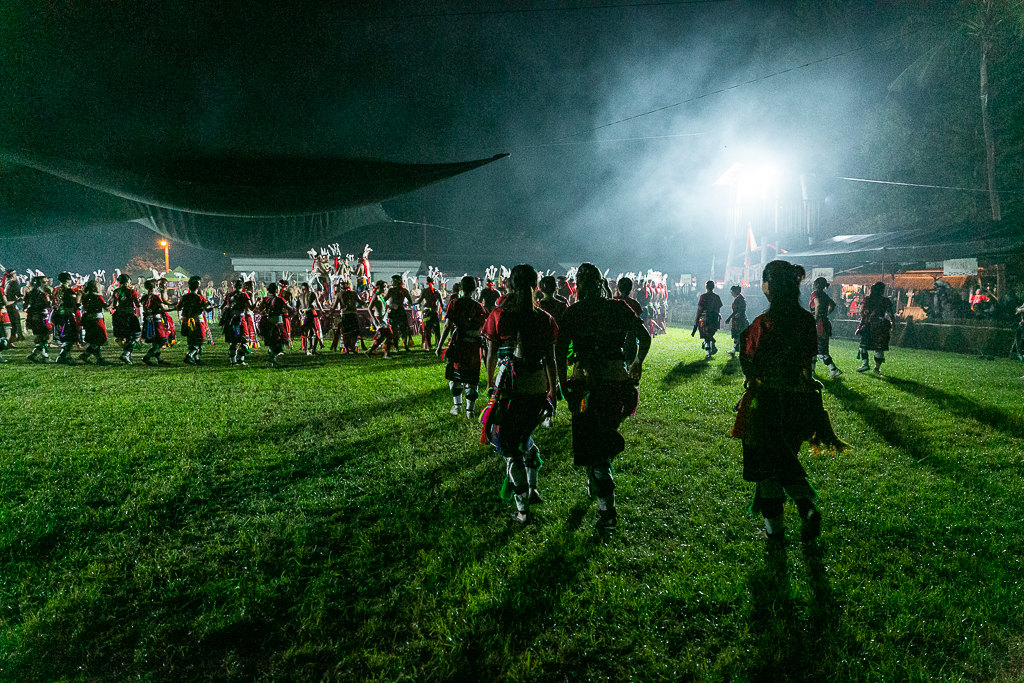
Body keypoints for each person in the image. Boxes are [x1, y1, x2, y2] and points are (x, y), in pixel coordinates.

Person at [731, 260, 847, 544]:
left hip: (768, 403)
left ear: (769, 287)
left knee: (768, 470)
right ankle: (803, 510)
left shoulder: (762, 324)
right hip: (799, 404)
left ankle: (787, 524)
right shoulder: (806, 321)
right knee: (783, 459)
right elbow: (806, 365)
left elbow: (748, 362)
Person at [556, 263, 650, 532]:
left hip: (587, 389)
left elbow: (560, 354)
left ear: (578, 285)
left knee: (598, 451)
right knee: (599, 441)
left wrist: (564, 387)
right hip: (618, 387)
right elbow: (644, 338)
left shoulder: (574, 313)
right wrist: (636, 363)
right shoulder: (618, 308)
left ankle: (607, 514)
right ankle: (595, 484)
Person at [481, 264, 558, 525]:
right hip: (538, 389)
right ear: (535, 286)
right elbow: (551, 360)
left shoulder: (500, 315)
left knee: (509, 445)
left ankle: (523, 510)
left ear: (509, 285)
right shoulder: (545, 318)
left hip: (511, 389)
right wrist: (552, 393)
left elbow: (491, 354)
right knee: (525, 434)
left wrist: (491, 384)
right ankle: (534, 489)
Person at [436, 275, 488, 417]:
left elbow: (447, 326)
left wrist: (439, 346)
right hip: (473, 346)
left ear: (461, 287)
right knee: (472, 377)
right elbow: (483, 328)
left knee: (456, 376)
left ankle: (457, 407)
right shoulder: (479, 307)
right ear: (475, 289)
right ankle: (469, 411)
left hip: (458, 344)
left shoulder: (454, 304)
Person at [856, 281, 895, 374]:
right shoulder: (885, 301)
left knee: (863, 345)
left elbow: (861, 310)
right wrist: (893, 324)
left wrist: (864, 315)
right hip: (881, 325)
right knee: (879, 347)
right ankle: (876, 369)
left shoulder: (867, 299)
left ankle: (865, 364)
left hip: (869, 325)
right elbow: (891, 314)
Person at [809, 277, 842, 378]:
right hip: (824, 322)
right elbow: (832, 305)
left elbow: (817, 305)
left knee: (819, 349)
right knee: (814, 348)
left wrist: (816, 318)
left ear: (817, 284)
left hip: (819, 324)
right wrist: (826, 314)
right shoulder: (825, 295)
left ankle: (833, 369)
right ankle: (812, 372)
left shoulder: (815, 294)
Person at [176, 276, 214, 365]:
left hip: (186, 321)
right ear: (198, 287)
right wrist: (211, 307)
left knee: (191, 340)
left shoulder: (184, 297)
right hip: (197, 321)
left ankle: (196, 359)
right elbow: (206, 309)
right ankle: (189, 356)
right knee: (199, 340)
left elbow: (178, 307)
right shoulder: (199, 298)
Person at [257, 282, 293, 368]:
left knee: (272, 342)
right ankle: (274, 358)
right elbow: (290, 308)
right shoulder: (280, 299)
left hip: (269, 322)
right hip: (278, 322)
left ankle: (273, 360)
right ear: (276, 290)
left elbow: (260, 309)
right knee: (281, 342)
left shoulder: (265, 299)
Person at [110, 273, 142, 364]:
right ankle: (126, 354)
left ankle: (129, 356)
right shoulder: (131, 291)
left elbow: (115, 305)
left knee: (126, 336)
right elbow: (137, 304)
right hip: (130, 315)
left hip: (120, 315)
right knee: (134, 336)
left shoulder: (116, 291)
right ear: (128, 281)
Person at [51, 272, 81, 365]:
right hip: (67, 314)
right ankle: (62, 356)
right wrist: (79, 297)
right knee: (69, 336)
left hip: (58, 314)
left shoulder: (55, 289)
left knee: (62, 335)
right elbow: (73, 303)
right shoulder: (68, 290)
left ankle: (67, 357)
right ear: (68, 280)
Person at [78, 279, 111, 365]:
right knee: (100, 338)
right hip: (97, 319)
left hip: (88, 319)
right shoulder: (98, 297)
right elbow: (106, 307)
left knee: (93, 339)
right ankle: (88, 355)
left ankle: (98, 358)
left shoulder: (85, 297)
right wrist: (112, 303)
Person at [613, 277, 644, 366]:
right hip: (631, 339)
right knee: (630, 365)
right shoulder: (635, 304)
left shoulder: (613, 303)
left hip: (617, 339)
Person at [221, 279, 253, 365]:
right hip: (240, 320)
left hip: (230, 320)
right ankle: (241, 360)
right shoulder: (244, 295)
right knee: (245, 340)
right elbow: (251, 307)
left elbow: (223, 306)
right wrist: (253, 298)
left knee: (234, 341)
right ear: (242, 286)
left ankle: (233, 361)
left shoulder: (229, 295)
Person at [140, 279, 171, 366]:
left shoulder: (144, 297)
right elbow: (163, 308)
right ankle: (147, 357)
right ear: (154, 286)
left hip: (148, 321)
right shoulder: (155, 297)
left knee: (155, 341)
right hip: (156, 321)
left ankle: (159, 359)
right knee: (161, 340)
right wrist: (174, 308)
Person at [24, 275, 52, 363]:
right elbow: (43, 305)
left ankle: (44, 356)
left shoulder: (34, 292)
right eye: (44, 282)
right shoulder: (37, 293)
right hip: (40, 317)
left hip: (38, 317)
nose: (46, 283)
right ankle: (36, 354)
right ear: (38, 283)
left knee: (42, 337)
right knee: (44, 336)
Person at [692, 280, 723, 359]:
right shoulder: (716, 297)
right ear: (713, 287)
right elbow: (719, 307)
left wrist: (697, 319)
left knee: (706, 336)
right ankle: (711, 346)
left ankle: (708, 353)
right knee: (710, 334)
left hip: (705, 318)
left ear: (706, 287)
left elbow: (700, 308)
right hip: (714, 318)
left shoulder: (703, 297)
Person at [386, 274, 414, 352]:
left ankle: (399, 346)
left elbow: (385, 299)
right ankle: (403, 346)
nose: (392, 282)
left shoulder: (393, 290)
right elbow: (410, 301)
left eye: (393, 281)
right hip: (399, 310)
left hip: (397, 311)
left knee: (398, 329)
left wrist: (389, 305)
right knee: (402, 329)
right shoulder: (404, 290)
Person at [418, 276, 444, 352]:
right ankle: (438, 345)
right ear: (433, 282)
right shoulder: (437, 291)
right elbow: (442, 304)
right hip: (434, 312)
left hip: (427, 312)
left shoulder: (425, 291)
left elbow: (419, 301)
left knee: (427, 329)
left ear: (426, 282)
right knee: (437, 330)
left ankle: (429, 346)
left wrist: (411, 303)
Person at [724, 285, 749, 359]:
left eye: (732, 292)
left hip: (739, 320)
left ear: (736, 292)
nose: (732, 293)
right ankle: (734, 350)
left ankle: (737, 351)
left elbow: (737, 311)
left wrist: (729, 318)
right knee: (737, 335)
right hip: (737, 320)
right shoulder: (739, 299)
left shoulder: (740, 299)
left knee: (738, 335)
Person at [4, 268, 24, 343]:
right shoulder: (13, 283)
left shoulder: (6, 282)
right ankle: (11, 340)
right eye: (15, 274)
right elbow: (18, 294)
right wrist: (23, 296)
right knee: (15, 322)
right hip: (11, 305)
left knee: (11, 322)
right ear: (11, 275)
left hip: (7, 305)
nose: (16, 275)